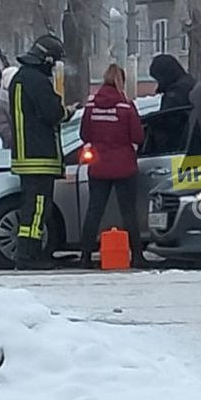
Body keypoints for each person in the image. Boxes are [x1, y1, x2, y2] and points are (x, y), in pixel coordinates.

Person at [9, 34, 75, 270]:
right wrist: (67, 112)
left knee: (30, 206)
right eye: (54, 61)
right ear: (45, 59)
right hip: (39, 156)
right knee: (37, 208)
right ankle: (29, 257)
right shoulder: (37, 81)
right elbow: (51, 113)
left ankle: (28, 254)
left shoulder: (20, 78)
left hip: (25, 154)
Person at [78, 64, 147, 268]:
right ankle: (137, 256)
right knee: (128, 212)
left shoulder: (91, 106)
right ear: (121, 81)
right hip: (124, 166)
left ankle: (85, 256)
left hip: (98, 166)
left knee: (94, 211)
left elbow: (84, 134)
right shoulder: (126, 106)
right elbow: (138, 136)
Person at [0, 65, 18, 151]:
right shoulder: (0, 105)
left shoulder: (21, 98)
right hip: (11, 148)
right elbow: (3, 128)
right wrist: (15, 140)